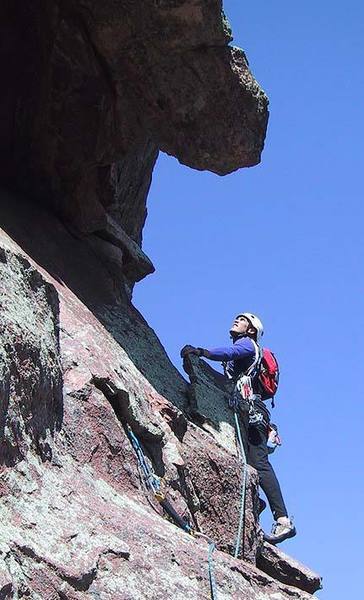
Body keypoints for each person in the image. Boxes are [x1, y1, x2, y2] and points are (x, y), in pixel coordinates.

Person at [181, 312, 296, 545]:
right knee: (250, 463)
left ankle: (283, 520)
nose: (236, 320)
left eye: (242, 320)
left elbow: (230, 352)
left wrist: (202, 352)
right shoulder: (240, 360)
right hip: (250, 413)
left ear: (251, 329)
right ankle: (257, 503)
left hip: (253, 414)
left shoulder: (247, 345)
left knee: (260, 464)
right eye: (236, 318)